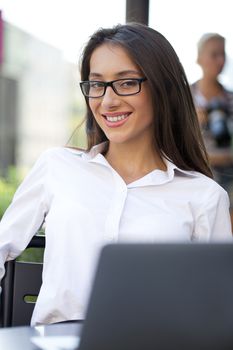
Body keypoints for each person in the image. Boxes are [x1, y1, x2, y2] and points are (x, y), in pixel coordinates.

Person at [0, 23, 232, 326]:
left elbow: (218, 304)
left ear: (162, 88)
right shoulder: (57, 167)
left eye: (125, 83)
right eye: (97, 84)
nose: (107, 101)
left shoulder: (203, 195)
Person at [190, 33, 233, 227]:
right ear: (199, 58)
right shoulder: (184, 97)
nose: (221, 60)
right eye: (214, 54)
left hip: (227, 181)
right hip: (193, 178)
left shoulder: (230, 99)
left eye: (223, 54)